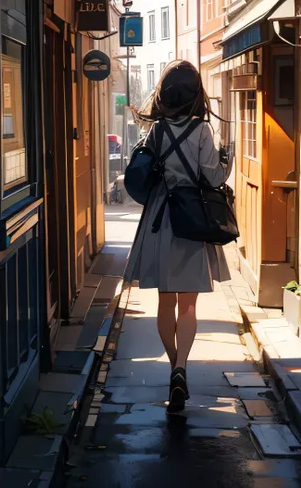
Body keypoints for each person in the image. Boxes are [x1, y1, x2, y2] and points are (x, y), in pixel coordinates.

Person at [124, 60, 233, 412]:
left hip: (160, 220)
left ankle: (174, 368)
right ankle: (182, 367)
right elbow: (214, 179)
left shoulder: (156, 131)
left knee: (165, 302)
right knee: (188, 304)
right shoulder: (202, 131)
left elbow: (145, 172)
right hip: (190, 220)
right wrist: (226, 161)